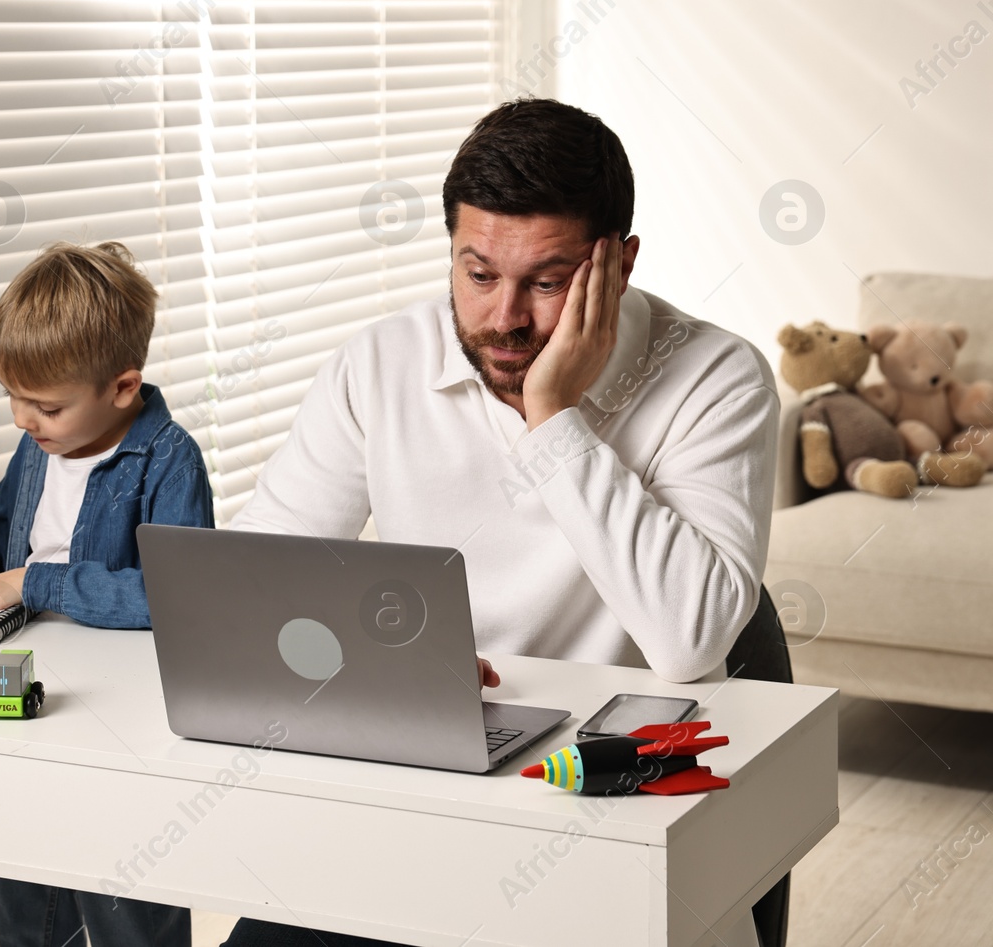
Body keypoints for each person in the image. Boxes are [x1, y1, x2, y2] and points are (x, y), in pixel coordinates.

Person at [222, 98, 780, 947]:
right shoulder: (379, 364)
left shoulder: (715, 377)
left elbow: (690, 637)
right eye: (477, 273)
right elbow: (259, 575)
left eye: (547, 281)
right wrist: (381, 662)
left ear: (618, 264)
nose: (505, 318)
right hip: (431, 771)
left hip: (604, 796)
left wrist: (553, 417)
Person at [0, 240, 213, 947]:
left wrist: (34, 582)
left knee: (125, 896)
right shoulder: (39, 447)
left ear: (121, 387)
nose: (23, 419)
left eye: (43, 404)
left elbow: (177, 598)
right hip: (36, 694)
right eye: (13, 397)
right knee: (28, 883)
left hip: (126, 714)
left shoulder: (168, 459)